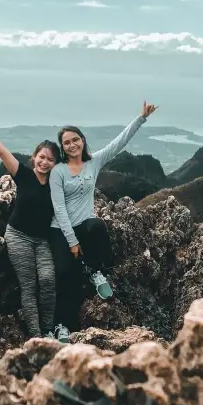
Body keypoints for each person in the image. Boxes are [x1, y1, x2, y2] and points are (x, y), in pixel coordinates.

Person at [49, 101, 158, 338]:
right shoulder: (58, 172)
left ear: (82, 140)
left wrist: (141, 118)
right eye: (66, 142)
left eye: (75, 139)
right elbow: (59, 209)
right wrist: (71, 242)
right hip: (60, 230)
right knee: (64, 274)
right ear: (62, 147)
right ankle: (62, 326)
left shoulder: (93, 162)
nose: (72, 145)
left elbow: (118, 143)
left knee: (99, 227)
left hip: (85, 225)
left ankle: (94, 271)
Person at [0, 109, 63, 340]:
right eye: (42, 157)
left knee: (48, 280)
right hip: (18, 235)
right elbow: (0, 150)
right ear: (34, 157)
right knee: (28, 286)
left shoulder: (57, 184)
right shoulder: (24, 175)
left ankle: (49, 329)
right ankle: (37, 337)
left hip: (42, 240)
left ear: (56, 163)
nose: (45, 162)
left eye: (50, 159)